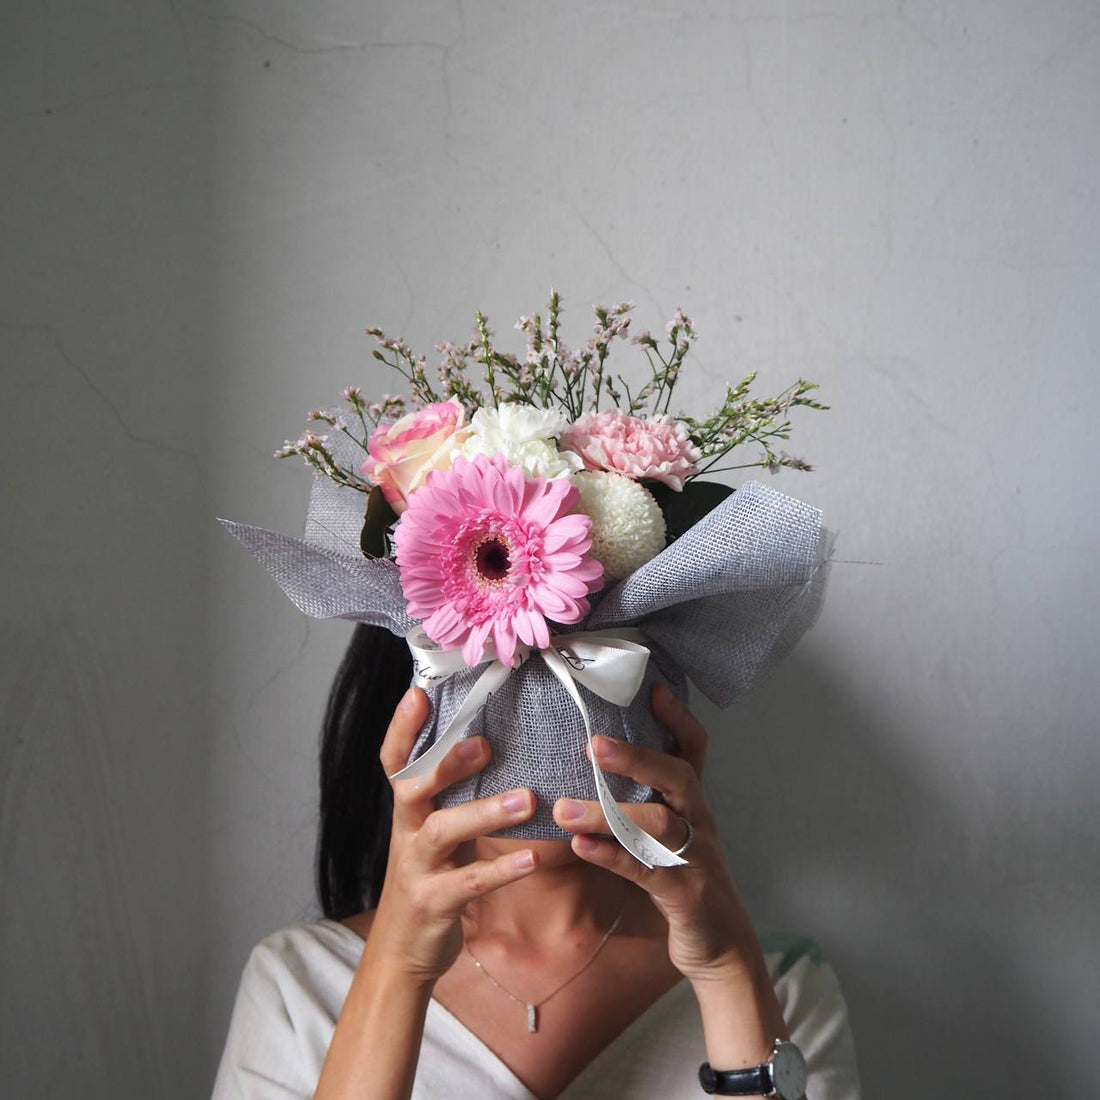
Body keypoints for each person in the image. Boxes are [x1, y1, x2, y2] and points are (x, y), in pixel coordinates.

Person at [212, 625, 861, 1099]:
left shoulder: (778, 983)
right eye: (489, 659)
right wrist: (398, 968)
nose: (538, 717)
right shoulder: (299, 984)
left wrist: (725, 971)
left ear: (664, 703)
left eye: (586, 654)